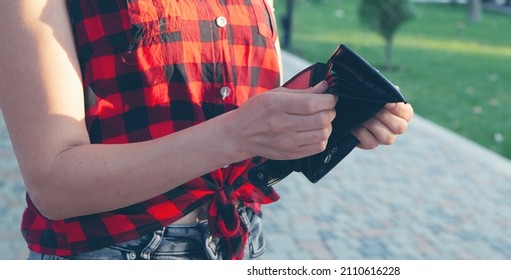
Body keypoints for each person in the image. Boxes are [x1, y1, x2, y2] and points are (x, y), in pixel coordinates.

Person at [0, 0, 414, 260]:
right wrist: (235, 134)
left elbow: (254, 133)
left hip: (239, 240)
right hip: (112, 250)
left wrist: (334, 116)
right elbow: (53, 184)